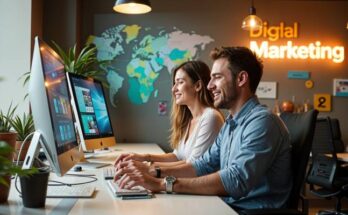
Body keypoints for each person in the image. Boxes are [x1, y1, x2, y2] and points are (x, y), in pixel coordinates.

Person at [114, 47, 292, 209]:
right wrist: (152, 171)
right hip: (230, 205)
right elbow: (202, 165)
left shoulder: (262, 122)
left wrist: (162, 184)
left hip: (249, 211)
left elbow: (235, 180)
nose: (209, 85)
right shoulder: (231, 123)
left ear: (241, 79)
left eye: (217, 77)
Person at [114, 60, 224, 167]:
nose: (173, 89)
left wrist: (148, 168)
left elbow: (192, 166)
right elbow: (177, 157)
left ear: (198, 86)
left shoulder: (211, 117)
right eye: (175, 83)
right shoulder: (189, 119)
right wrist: (142, 158)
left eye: (180, 82)